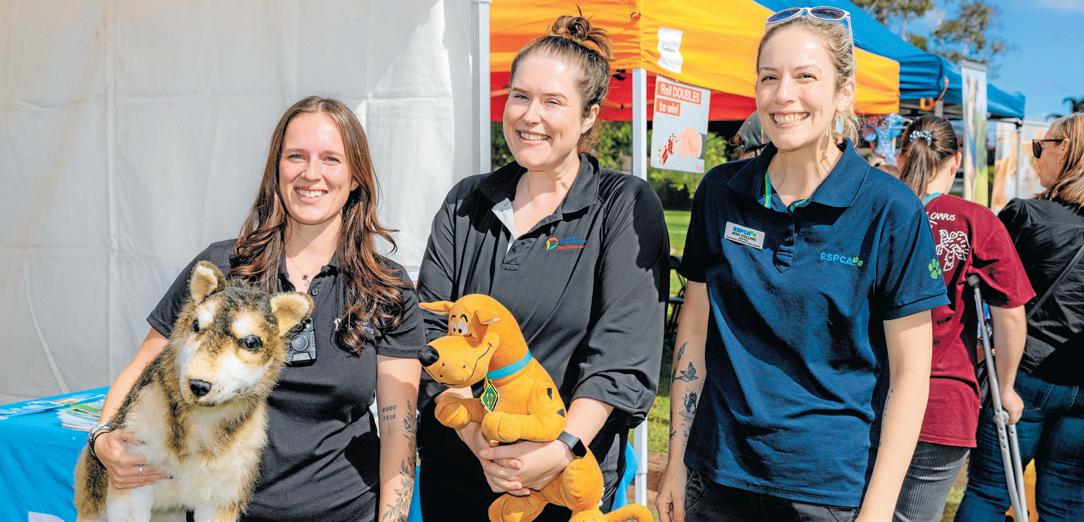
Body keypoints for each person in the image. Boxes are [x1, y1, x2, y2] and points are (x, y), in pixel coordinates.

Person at [655, 7, 949, 522]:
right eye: (769, 77)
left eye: (805, 76)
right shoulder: (720, 192)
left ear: (844, 93)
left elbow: (911, 374)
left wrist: (878, 509)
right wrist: (677, 461)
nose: (782, 94)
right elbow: (694, 330)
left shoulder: (890, 209)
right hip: (716, 477)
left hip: (830, 492)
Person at [86, 97, 424, 521]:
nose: (311, 173)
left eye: (331, 159)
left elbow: (397, 431)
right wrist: (103, 438)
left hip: (347, 511)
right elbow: (143, 367)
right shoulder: (223, 267)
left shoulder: (386, 288)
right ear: (276, 169)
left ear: (355, 176)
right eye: (296, 156)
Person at [414, 14, 669, 522]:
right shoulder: (467, 202)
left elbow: (622, 355)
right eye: (520, 96)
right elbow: (430, 331)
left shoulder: (621, 205)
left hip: (566, 483)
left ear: (589, 115)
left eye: (553, 102)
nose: (530, 116)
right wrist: (481, 442)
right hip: (460, 473)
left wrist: (559, 449)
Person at [891, 116, 1033, 522]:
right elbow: (1010, 315)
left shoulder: (876, 210)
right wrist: (1007, 386)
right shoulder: (975, 220)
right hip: (941, 399)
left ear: (901, 156)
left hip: (868, 393)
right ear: (955, 161)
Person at [956, 113, 1084, 521]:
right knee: (1066, 504)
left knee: (989, 493)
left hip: (1021, 375)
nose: (1034, 157)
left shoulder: (1026, 216)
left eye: (1040, 147)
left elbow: (976, 284)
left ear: (1065, 150)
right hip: (1079, 383)